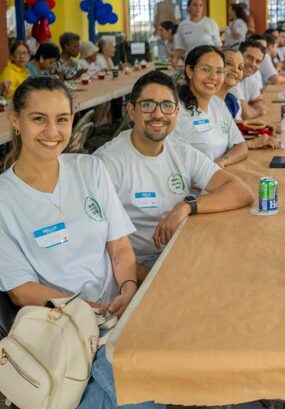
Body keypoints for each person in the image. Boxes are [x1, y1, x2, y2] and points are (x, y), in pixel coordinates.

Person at [0, 76, 171, 409]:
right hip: (59, 325)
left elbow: (119, 248)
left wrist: (128, 289)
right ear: (15, 120)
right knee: (133, 377)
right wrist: (87, 312)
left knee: (106, 386)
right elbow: (20, 291)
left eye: (63, 119)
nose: (53, 132)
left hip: (118, 312)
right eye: (39, 119)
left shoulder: (89, 170)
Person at [94, 70, 255, 280]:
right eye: (148, 105)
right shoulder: (106, 163)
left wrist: (187, 205)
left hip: (180, 251)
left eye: (167, 106)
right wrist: (149, 279)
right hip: (136, 264)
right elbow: (96, 246)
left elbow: (242, 192)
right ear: (131, 111)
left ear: (176, 113)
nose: (158, 114)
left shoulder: (181, 151)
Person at [174, 46, 248, 167]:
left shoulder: (218, 104)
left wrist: (223, 161)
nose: (213, 76)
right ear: (190, 71)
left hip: (218, 177)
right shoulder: (175, 111)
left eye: (219, 71)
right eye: (206, 69)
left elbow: (241, 146)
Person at [234, 40, 268, 120]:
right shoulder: (231, 79)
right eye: (249, 57)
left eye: (258, 61)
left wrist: (254, 109)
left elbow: (259, 101)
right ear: (239, 56)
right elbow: (247, 114)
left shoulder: (250, 79)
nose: (253, 64)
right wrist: (260, 111)